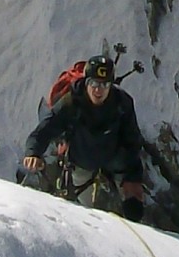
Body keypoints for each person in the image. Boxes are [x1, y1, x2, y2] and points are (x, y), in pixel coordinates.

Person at [21, 56, 146, 222]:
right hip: (85, 162)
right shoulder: (72, 103)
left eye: (104, 85)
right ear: (86, 82)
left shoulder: (122, 104)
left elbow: (132, 142)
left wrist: (132, 182)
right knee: (91, 215)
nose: (98, 90)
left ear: (111, 85)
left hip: (108, 159)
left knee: (129, 213)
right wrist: (33, 152)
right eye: (94, 84)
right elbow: (45, 130)